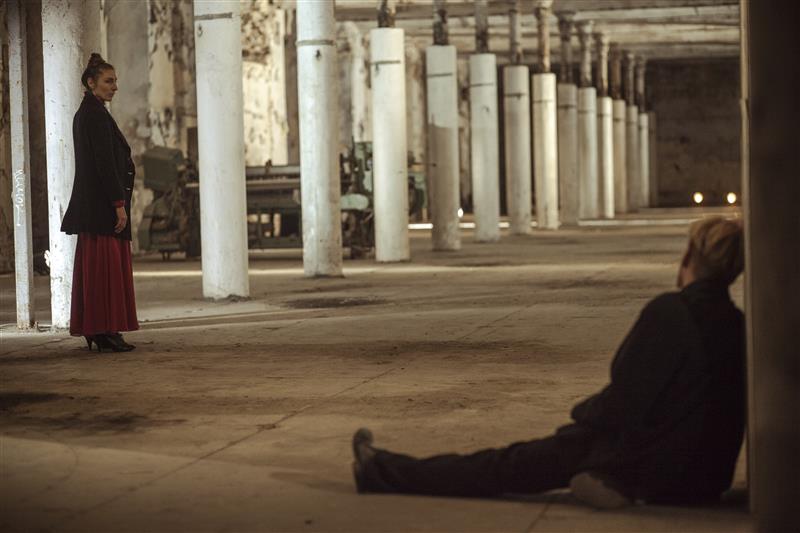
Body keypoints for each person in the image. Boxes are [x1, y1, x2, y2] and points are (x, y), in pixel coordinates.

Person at [351, 216, 745, 508]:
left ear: (688, 255)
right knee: (539, 455)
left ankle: (380, 471)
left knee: (505, 464)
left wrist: (580, 419)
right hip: (705, 480)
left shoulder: (670, 312)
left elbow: (623, 401)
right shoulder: (738, 324)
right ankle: (603, 479)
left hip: (654, 471)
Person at [61, 53, 138, 353]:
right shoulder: (93, 115)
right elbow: (104, 163)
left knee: (99, 271)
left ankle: (100, 328)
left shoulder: (91, 112)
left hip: (96, 205)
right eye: (108, 81)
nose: (114, 86)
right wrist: (118, 204)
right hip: (101, 207)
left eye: (115, 81)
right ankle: (103, 329)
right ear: (91, 83)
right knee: (104, 271)